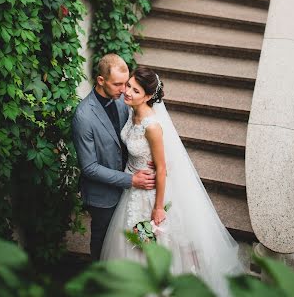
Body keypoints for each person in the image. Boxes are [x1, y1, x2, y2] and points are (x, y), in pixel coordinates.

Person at [101, 66, 243, 295]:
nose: (127, 92)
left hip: (148, 192)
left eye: (135, 91)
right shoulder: (131, 111)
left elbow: (163, 168)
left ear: (148, 97)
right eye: (128, 86)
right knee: (128, 243)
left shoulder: (153, 127)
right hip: (133, 182)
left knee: (147, 244)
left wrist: (158, 208)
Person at [72, 54, 156, 260]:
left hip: (131, 190)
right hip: (103, 196)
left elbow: (134, 135)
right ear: (101, 81)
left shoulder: (122, 101)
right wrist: (131, 180)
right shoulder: (83, 116)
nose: (124, 90)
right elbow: (89, 167)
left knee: (134, 238)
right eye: (118, 84)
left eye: (126, 84)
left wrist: (147, 156)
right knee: (103, 243)